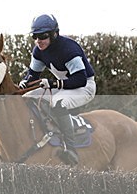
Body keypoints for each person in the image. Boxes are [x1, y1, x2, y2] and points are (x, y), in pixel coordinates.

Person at [17, 14, 95, 165]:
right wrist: (25, 82)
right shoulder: (38, 51)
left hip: (84, 87)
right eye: (35, 36)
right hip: (64, 85)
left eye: (43, 36)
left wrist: (54, 84)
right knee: (26, 97)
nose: (38, 40)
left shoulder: (69, 49)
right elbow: (33, 74)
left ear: (54, 34)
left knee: (59, 103)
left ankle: (70, 149)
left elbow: (80, 79)